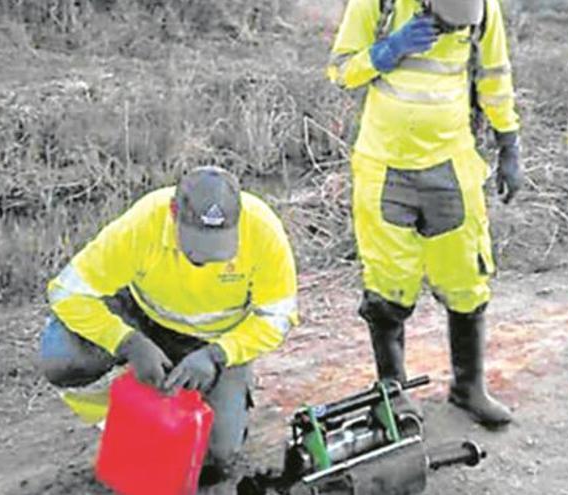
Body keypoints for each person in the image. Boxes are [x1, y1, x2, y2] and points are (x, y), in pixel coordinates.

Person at [38, 166, 299, 492]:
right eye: (195, 246)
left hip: (217, 341)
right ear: (174, 213)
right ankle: (120, 420)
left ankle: (216, 399)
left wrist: (219, 354)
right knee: (63, 358)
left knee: (219, 454)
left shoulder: (263, 231)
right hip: (144, 321)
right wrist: (128, 342)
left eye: (218, 247)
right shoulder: (144, 222)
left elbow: (277, 316)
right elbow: (67, 292)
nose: (204, 260)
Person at [327, 0, 521, 427]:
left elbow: (494, 75)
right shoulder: (378, 5)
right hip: (383, 167)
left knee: (467, 278)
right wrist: (387, 51)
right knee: (387, 284)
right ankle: (393, 395)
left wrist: (509, 143)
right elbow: (340, 71)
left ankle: (469, 388)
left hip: (451, 165)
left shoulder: (484, 9)